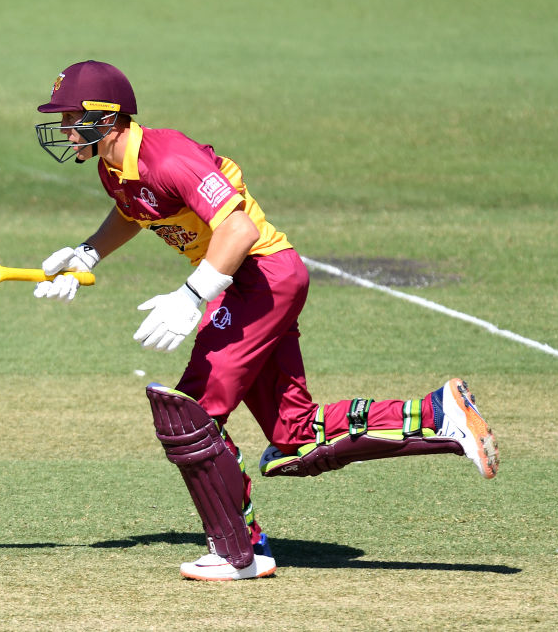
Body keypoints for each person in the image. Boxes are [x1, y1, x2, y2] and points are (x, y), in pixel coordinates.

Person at [31, 60, 500, 581]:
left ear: (107, 116)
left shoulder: (168, 156)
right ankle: (440, 414)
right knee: (295, 439)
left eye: (73, 116)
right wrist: (88, 254)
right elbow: (135, 210)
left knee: (190, 414)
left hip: (260, 276)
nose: (65, 128)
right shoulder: (112, 167)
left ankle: (240, 553)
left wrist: (191, 297)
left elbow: (237, 229)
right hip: (250, 280)